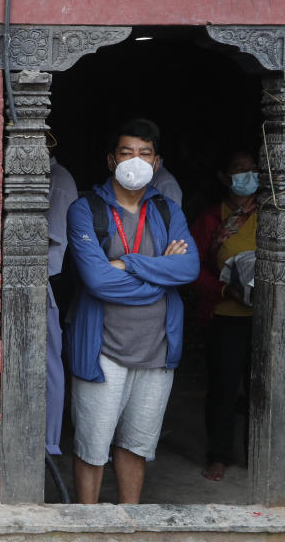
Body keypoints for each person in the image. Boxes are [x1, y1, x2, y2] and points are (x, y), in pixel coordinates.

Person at [65, 118, 199, 503]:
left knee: (136, 445)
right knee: (92, 447)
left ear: (157, 163)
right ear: (111, 160)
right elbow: (98, 281)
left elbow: (188, 269)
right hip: (103, 350)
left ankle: (129, 521)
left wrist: (129, 263)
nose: (135, 162)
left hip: (157, 350)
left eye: (145, 154)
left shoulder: (168, 210)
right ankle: (87, 525)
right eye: (127, 153)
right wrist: (161, 273)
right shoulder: (84, 209)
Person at [190, 150, 259, 482]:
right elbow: (192, 270)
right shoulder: (210, 219)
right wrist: (224, 290)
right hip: (226, 315)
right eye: (239, 170)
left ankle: (259, 453)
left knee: (264, 386)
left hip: (266, 317)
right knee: (224, 387)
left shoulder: (271, 214)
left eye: (252, 170)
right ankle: (219, 455)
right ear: (224, 177)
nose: (247, 175)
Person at [46, 155, 78, 456]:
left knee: (50, 362)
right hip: (46, 275)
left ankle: (49, 441)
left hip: (51, 277)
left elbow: (48, 237)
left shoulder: (59, 180)